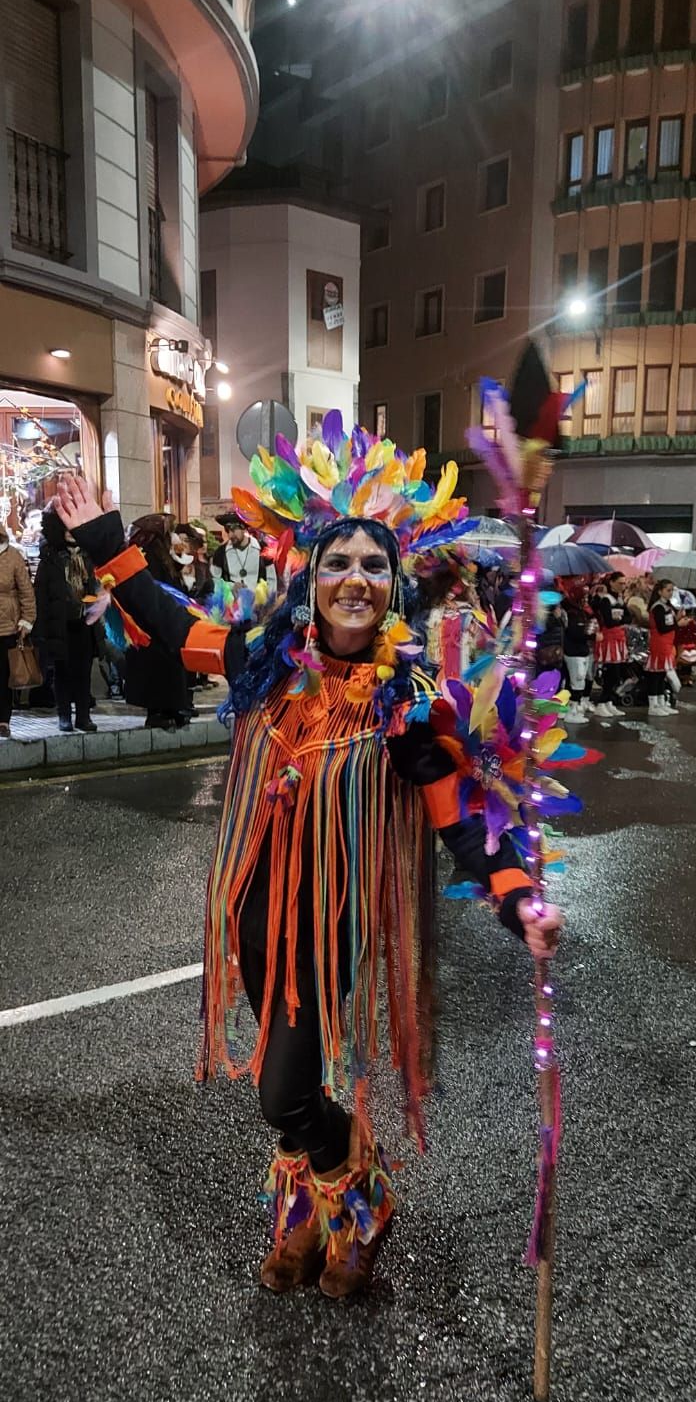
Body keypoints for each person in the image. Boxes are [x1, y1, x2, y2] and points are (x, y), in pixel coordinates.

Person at [53, 430, 562, 1302]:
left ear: (392, 585)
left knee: (284, 1095)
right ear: (310, 577)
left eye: (373, 564)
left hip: (328, 920)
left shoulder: (404, 704)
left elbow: (456, 819)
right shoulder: (262, 658)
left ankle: (362, 1202)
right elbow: (176, 625)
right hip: (250, 907)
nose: (355, 578)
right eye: (337, 562)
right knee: (285, 1087)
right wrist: (105, 536)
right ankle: (302, 1223)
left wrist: (516, 896)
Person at [123, 513, 191, 730]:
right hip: (154, 624)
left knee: (169, 668)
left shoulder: (163, 555)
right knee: (157, 670)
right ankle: (159, 710)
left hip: (164, 620)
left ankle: (172, 707)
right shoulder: (149, 555)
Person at [33, 509, 97, 733]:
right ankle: (64, 716)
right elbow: (40, 594)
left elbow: (96, 586)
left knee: (83, 670)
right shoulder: (51, 557)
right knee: (62, 671)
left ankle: (83, 716)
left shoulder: (88, 556)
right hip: (59, 622)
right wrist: (39, 630)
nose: (70, 532)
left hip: (85, 621)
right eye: (66, 527)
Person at [0, 522, 36, 739]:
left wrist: (26, 620)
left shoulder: (13, 556)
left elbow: (26, 592)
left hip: (8, 627)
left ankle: (3, 720)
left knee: (4, 676)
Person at [592, 572, 630, 717]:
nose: (623, 586)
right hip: (609, 639)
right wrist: (621, 620)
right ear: (612, 583)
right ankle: (602, 702)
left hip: (619, 638)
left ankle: (608, 701)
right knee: (611, 673)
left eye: (624, 583)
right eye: (620, 583)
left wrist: (619, 619)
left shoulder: (620, 599)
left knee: (617, 673)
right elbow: (608, 621)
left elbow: (629, 617)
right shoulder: (606, 600)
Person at [559, 581, 595, 724]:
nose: (586, 599)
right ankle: (572, 711)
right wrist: (590, 633)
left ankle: (569, 708)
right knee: (577, 682)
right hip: (575, 651)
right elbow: (576, 632)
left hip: (578, 650)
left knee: (574, 682)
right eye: (583, 596)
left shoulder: (579, 611)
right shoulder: (573, 612)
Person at [212, 512, 267, 593]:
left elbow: (272, 580)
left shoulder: (264, 550)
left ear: (243, 528)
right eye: (228, 531)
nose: (230, 535)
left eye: (233, 530)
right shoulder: (220, 553)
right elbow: (215, 581)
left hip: (259, 603)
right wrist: (231, 586)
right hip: (231, 603)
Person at [646, 580, 677, 717]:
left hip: (667, 643)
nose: (670, 593)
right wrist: (678, 624)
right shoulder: (658, 607)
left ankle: (661, 702)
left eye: (672, 590)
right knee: (656, 674)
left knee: (662, 674)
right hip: (659, 642)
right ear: (660, 591)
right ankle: (653, 705)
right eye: (668, 590)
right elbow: (662, 628)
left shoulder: (668, 606)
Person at [674, 608, 696, 687]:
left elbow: (677, 637)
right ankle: (687, 677)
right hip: (692, 647)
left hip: (681, 647)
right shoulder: (693, 623)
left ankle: (682, 676)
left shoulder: (680, 623)